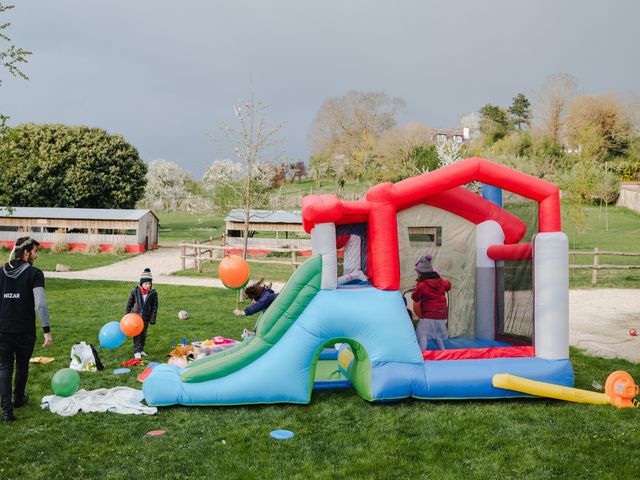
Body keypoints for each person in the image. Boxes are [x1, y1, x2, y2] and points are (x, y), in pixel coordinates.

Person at [0, 237, 52, 422]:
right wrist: (47, 330)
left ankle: (7, 411)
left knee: (5, 367)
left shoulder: (1, 272)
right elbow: (41, 304)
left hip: (3, 329)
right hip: (24, 330)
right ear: (27, 252)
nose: (36, 255)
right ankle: (18, 399)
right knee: (22, 365)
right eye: (35, 251)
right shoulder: (35, 273)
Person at [411, 254, 451, 351]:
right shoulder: (440, 282)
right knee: (436, 333)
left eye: (418, 272)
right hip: (442, 313)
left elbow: (414, 297)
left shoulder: (422, 285)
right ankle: (443, 351)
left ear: (422, 273)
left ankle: (423, 353)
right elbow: (448, 285)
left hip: (431, 313)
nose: (418, 274)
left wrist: (416, 291)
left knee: (422, 332)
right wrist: (440, 278)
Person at [125, 268, 158, 360]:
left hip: (146, 317)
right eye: (145, 283)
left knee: (143, 334)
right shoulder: (135, 291)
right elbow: (130, 303)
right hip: (135, 317)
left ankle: (141, 349)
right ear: (141, 283)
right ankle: (137, 352)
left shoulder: (153, 293)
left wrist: (152, 318)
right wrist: (126, 314)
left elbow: (155, 307)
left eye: (149, 283)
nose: (147, 285)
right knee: (137, 334)